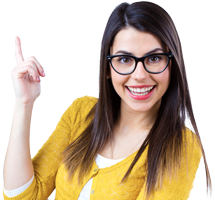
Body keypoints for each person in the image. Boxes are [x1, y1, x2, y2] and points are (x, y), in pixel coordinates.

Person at [3, 1, 212, 200]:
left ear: (172, 64)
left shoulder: (180, 146)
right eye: (124, 59)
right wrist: (24, 103)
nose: (139, 75)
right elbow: (24, 196)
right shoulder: (81, 113)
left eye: (154, 58)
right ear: (107, 69)